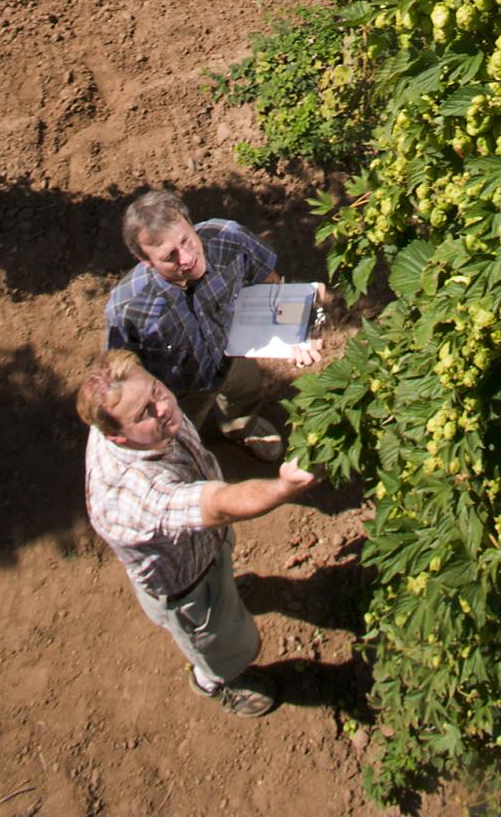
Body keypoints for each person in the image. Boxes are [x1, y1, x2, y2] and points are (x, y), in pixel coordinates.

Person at [78, 347, 316, 716]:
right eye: (144, 414)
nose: (162, 408)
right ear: (118, 438)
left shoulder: (147, 412)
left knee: (223, 575)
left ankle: (228, 594)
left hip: (205, 548)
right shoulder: (131, 495)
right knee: (217, 643)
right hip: (187, 585)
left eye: (156, 391)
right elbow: (219, 505)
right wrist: (283, 488)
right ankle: (218, 681)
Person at [105, 188, 319, 463]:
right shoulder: (127, 308)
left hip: (233, 356)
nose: (187, 258)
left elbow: (268, 279)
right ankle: (186, 453)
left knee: (246, 392)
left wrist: (294, 332)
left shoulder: (229, 239)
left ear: (191, 224)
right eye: (169, 256)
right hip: (179, 389)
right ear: (145, 261)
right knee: (180, 431)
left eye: (186, 240)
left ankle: (240, 424)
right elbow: (122, 371)